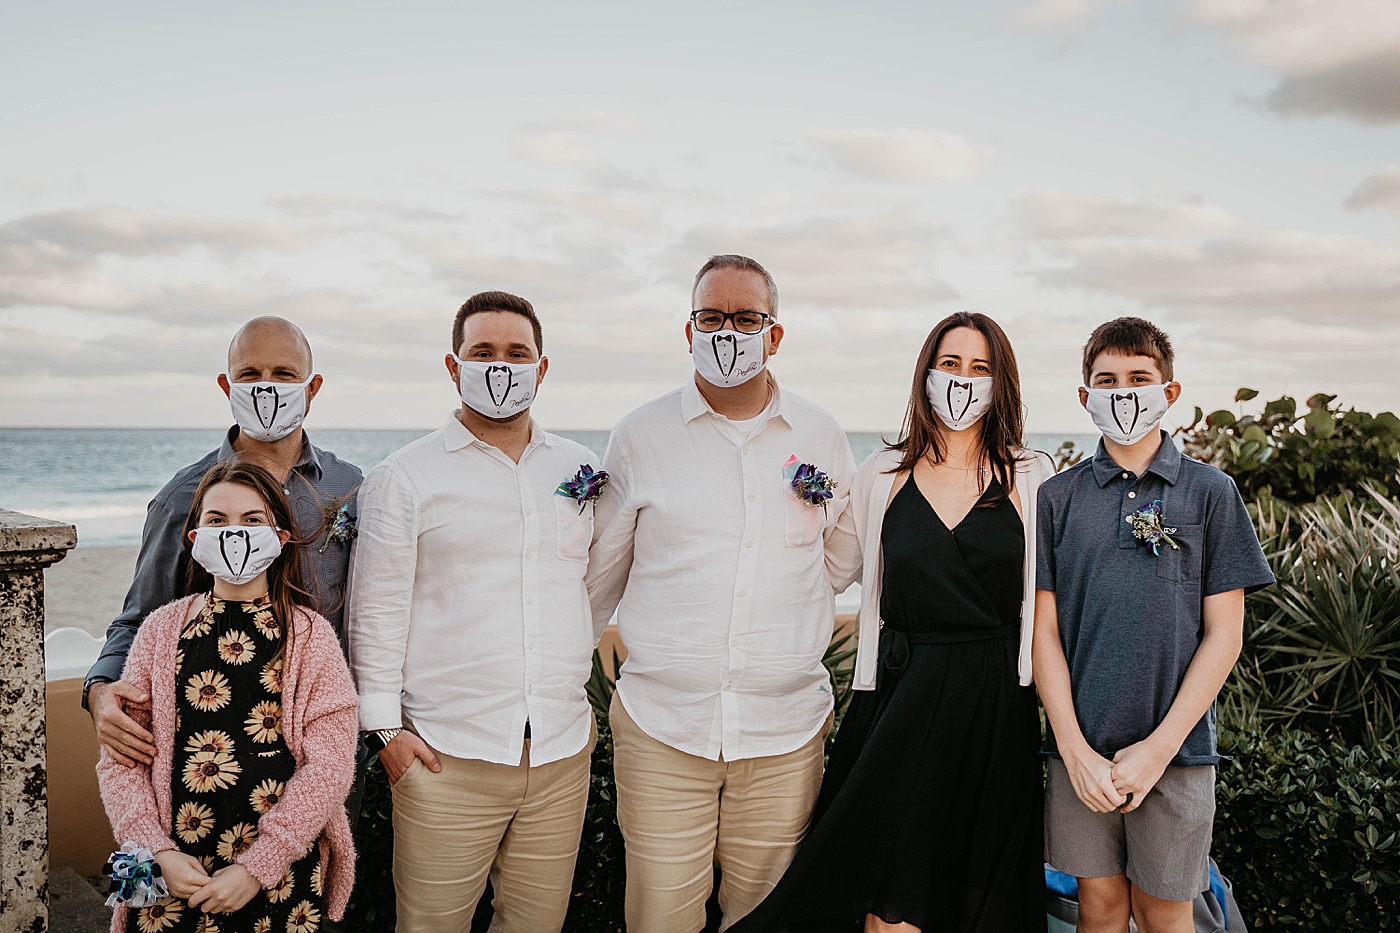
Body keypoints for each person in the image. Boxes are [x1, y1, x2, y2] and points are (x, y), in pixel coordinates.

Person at [729, 311, 1052, 933]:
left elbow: (1051, 602)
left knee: (977, 899)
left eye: (981, 368)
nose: (964, 380)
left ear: (1001, 382)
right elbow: (827, 568)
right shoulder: (880, 471)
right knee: (884, 902)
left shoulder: (1032, 475)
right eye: (950, 364)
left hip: (994, 707)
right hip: (900, 699)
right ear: (926, 374)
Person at [587, 255, 859, 933]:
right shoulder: (638, 436)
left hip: (784, 734)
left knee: (768, 918)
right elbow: (599, 576)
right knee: (660, 918)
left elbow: (837, 561)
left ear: (775, 334)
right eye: (712, 317)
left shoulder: (821, 436)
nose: (728, 332)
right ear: (689, 330)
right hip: (662, 729)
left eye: (746, 318)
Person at [347, 291, 601, 933]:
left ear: (542, 368)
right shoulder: (404, 477)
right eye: (482, 352)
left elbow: (592, 584)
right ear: (452, 365)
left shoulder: (580, 469)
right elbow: (375, 612)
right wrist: (385, 734)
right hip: (445, 759)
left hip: (559, 755)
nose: (500, 366)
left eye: (517, 353)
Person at [1033, 318, 1274, 933]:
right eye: (1106, 380)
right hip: (1079, 756)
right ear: (1085, 398)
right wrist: (1074, 749)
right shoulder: (1056, 499)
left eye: (1139, 378)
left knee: (1167, 915)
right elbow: (1044, 632)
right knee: (1100, 910)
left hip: (1179, 754)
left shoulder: (1211, 493)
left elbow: (1225, 634)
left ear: (1170, 392)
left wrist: (1157, 751)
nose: (1123, 392)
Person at [85, 317, 363, 775]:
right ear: (226, 386)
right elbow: (140, 616)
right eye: (250, 375)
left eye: (284, 375)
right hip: (212, 744)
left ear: (312, 388)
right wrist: (99, 692)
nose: (267, 388)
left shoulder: (349, 487)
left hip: (322, 746)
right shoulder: (184, 497)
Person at [96, 460, 359, 933]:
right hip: (167, 876)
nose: (233, 533)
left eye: (252, 521)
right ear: (195, 539)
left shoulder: (312, 638)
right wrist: (157, 852)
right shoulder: (159, 632)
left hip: (278, 876)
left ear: (279, 537)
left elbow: (330, 767)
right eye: (217, 520)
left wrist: (259, 865)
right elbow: (122, 763)